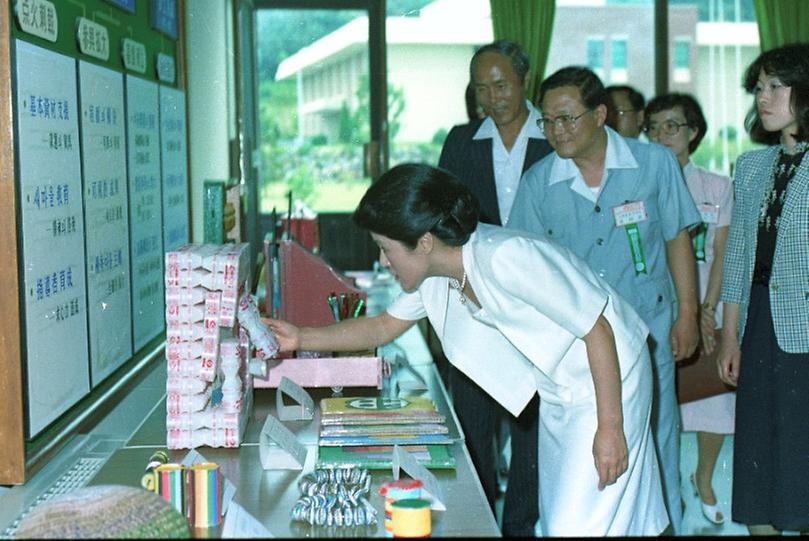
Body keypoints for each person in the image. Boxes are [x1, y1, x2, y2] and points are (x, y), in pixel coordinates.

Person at [265, 163, 668, 536]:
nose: (383, 261)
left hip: (608, 374)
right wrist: (300, 337)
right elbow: (382, 326)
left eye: (386, 249)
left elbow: (596, 330)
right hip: (560, 382)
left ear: (423, 242)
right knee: (572, 511)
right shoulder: (438, 272)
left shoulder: (504, 257)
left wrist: (611, 428)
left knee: (577, 523)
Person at [508, 66, 701, 535]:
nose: (558, 130)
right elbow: (526, 269)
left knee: (657, 445)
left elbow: (676, 240)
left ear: (600, 115)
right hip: (575, 351)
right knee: (587, 455)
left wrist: (689, 315)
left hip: (648, 330)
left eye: (568, 118)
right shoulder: (539, 183)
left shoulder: (653, 164)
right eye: (548, 121)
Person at [437, 39, 553, 536]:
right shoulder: (462, 141)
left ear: (524, 80)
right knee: (473, 422)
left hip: (537, 306)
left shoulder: (554, 136)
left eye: (500, 84)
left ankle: (520, 526)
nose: (491, 96)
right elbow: (440, 217)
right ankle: (478, 522)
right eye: (481, 88)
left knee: (531, 426)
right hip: (475, 303)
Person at [717, 43, 809, 536]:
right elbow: (737, 260)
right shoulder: (752, 167)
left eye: (776, 86)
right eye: (758, 88)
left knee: (802, 456)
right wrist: (730, 336)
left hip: (806, 333)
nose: (764, 98)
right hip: (758, 326)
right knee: (756, 452)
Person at [645, 92, 735, 525]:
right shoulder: (642, 185)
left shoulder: (717, 187)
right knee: (666, 405)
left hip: (707, 303)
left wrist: (706, 308)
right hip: (658, 306)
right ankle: (669, 483)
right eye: (654, 126)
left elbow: (720, 253)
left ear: (692, 132)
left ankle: (703, 478)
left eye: (672, 126)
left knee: (715, 403)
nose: (662, 135)